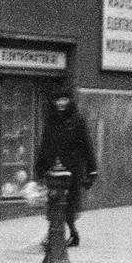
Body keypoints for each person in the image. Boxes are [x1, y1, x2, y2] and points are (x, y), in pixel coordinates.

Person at [35, 87, 98, 247]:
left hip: (73, 169)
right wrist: (40, 167)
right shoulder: (51, 120)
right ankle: (69, 234)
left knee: (68, 203)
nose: (61, 103)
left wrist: (91, 169)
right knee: (55, 203)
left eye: (64, 99)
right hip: (54, 169)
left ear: (69, 101)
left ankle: (62, 236)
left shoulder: (77, 120)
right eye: (58, 100)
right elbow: (45, 144)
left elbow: (87, 145)